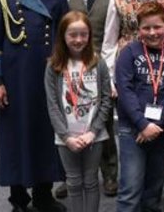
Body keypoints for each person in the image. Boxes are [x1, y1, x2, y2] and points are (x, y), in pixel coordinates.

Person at [0, 0, 69, 212]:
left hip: (47, 78)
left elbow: (65, 39)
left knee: (46, 134)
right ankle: (18, 198)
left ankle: (44, 194)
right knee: (14, 135)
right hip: (15, 78)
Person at [60, 0, 121, 198]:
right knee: (70, 118)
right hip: (70, 67)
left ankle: (109, 174)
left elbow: (111, 38)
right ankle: (67, 176)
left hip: (100, 67)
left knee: (102, 121)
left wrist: (109, 76)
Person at [115, 1, 164, 211]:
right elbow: (125, 92)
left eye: (157, 27)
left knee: (154, 189)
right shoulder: (129, 53)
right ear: (139, 29)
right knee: (130, 189)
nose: (152, 32)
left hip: (159, 131)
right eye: (146, 28)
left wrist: (155, 124)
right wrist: (142, 124)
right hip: (132, 128)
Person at [44, 11, 113, 212]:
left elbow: (106, 100)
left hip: (95, 135)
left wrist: (93, 131)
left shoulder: (97, 62)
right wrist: (66, 136)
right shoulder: (53, 66)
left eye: (84, 34)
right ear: (63, 36)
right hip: (66, 136)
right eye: (73, 35)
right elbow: (52, 104)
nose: (78, 39)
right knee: (73, 182)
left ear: (90, 36)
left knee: (91, 181)